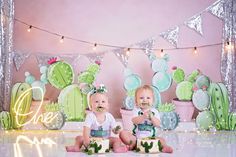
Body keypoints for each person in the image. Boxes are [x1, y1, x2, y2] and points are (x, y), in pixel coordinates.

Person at [66, 84, 128, 153]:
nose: (100, 104)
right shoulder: (90, 116)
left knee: (117, 140)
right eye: (96, 102)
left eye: (103, 102)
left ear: (107, 106)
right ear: (91, 106)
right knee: (79, 138)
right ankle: (76, 147)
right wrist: (86, 140)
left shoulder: (109, 117)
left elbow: (114, 130)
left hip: (106, 141)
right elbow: (86, 129)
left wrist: (117, 129)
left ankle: (117, 148)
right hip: (92, 141)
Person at [119, 85, 173, 153]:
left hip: (151, 138)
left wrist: (152, 117)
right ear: (136, 101)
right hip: (136, 138)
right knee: (123, 133)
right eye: (141, 98)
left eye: (148, 98)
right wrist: (143, 116)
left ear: (153, 101)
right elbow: (134, 120)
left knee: (161, 139)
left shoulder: (154, 111)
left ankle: (164, 147)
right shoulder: (136, 110)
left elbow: (158, 124)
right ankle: (133, 144)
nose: (145, 100)